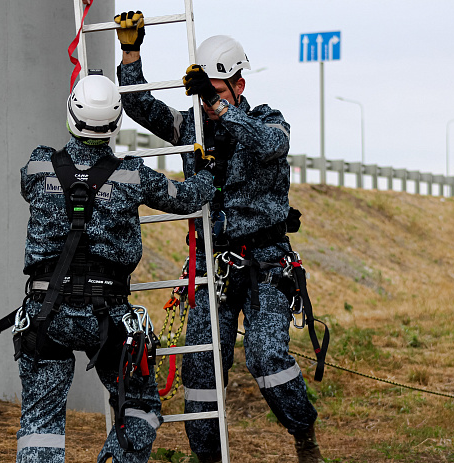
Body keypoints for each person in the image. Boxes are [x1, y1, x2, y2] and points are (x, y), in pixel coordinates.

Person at [114, 11, 323, 463]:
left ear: (238, 87)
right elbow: (138, 106)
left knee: (267, 360)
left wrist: (222, 108)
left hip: (267, 264)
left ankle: (303, 433)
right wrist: (131, 54)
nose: (207, 103)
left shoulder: (269, 121)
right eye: (204, 93)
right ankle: (207, 457)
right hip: (214, 263)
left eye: (217, 91)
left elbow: (269, 145)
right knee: (200, 369)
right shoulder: (191, 127)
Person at [0, 74, 216, 463]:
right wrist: (209, 166)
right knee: (140, 407)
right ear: (115, 126)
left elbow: (31, 185)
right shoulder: (132, 175)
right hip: (108, 319)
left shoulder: (38, 166)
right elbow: (189, 198)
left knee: (40, 422)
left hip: (47, 313)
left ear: (70, 116)